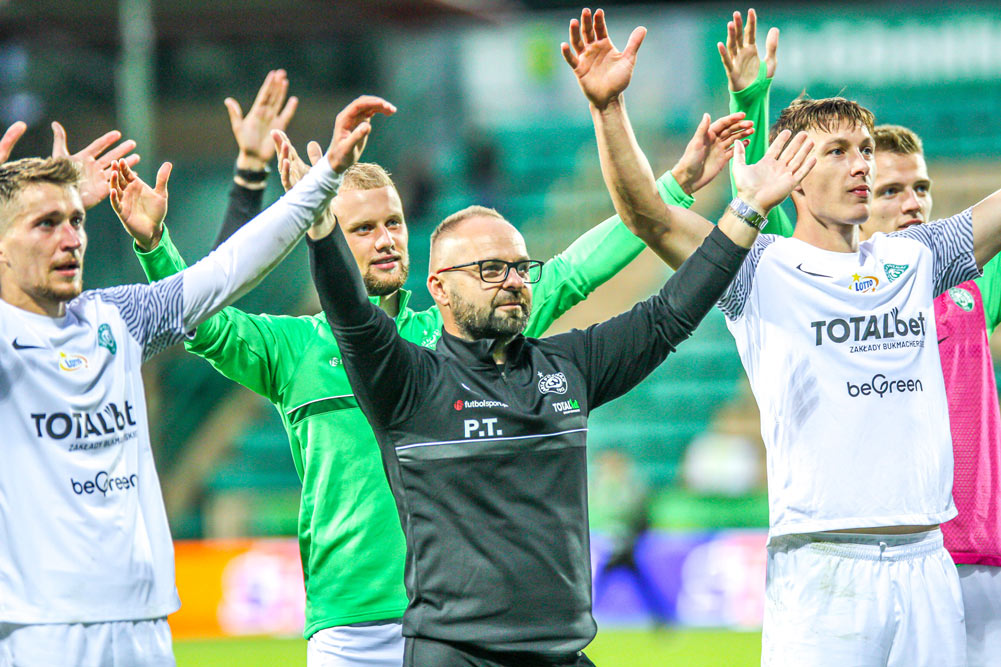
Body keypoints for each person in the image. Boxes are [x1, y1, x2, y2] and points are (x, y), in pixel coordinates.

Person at [124, 72, 753, 666]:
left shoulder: (456, 330)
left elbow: (576, 268)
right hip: (349, 622)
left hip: (455, 623)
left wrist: (669, 190)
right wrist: (156, 248)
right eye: (363, 228)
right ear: (324, 233)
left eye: (393, 222)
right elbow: (202, 323)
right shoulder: (291, 349)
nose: (386, 239)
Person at [302, 9, 814, 661]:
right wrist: (320, 227)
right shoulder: (406, 382)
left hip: (562, 652)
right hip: (454, 654)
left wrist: (745, 211)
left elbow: (668, 315)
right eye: (490, 269)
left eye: (519, 266)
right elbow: (350, 314)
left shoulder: (566, 367)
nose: (513, 280)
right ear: (437, 285)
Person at [588, 4, 1001, 663]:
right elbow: (646, 215)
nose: (861, 164)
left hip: (927, 563)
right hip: (821, 570)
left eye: (863, 149)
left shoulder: (915, 258)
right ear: (793, 174)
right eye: (837, 151)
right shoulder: (755, 267)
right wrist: (608, 110)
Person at [0, 94, 391, 665]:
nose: (71, 238)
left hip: (146, 625)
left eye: (77, 220)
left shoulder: (119, 319)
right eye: (45, 224)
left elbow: (227, 271)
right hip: (40, 629)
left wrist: (326, 176)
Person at [721, 11, 1001, 664]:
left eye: (920, 188)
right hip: (849, 557)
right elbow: (760, 200)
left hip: (957, 549)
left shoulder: (942, 272)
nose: (910, 201)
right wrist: (749, 104)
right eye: (890, 187)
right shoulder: (791, 272)